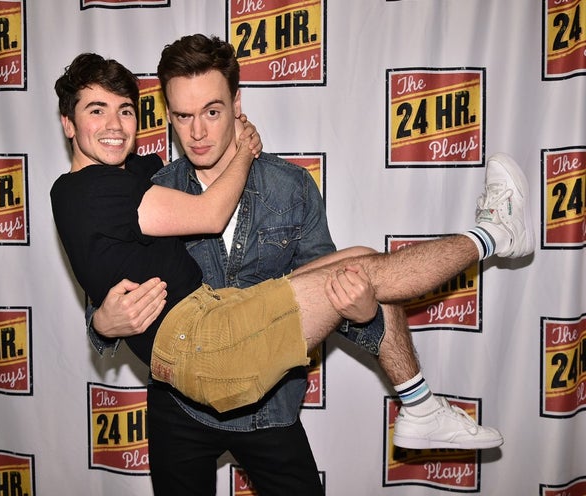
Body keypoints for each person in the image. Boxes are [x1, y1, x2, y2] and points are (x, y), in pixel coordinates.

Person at [51, 51, 533, 494]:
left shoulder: (290, 186)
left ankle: (419, 402)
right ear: (169, 115)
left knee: (363, 262)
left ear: (237, 106)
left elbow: (324, 293)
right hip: (181, 406)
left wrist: (361, 310)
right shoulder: (152, 185)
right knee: (369, 268)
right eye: (182, 115)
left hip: (268, 409)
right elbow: (110, 275)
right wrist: (101, 324)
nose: (197, 131)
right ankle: (493, 236)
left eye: (212, 112)